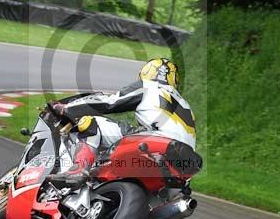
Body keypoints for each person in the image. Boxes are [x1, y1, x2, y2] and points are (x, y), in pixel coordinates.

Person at [49, 58, 196, 187]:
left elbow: (110, 102)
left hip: (157, 140)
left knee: (90, 123)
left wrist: (66, 108)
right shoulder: (186, 105)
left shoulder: (147, 85)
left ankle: (78, 169)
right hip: (185, 161)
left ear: (147, 71)